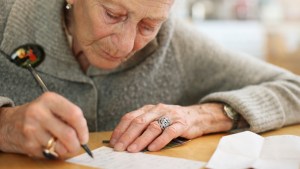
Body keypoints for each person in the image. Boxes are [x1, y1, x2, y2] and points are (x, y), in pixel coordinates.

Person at [0, 0, 300, 160]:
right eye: (112, 14)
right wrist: (5, 125)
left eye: (148, 25)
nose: (125, 46)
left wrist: (202, 115)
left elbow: (294, 89)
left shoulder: (176, 43)